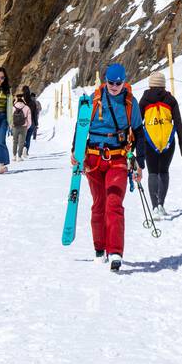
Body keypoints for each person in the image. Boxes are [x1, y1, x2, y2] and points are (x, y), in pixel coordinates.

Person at [77, 62, 145, 272]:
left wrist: (139, 163)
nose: (114, 86)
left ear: (124, 82)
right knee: (99, 204)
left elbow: (139, 133)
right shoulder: (92, 101)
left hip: (117, 159)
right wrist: (76, 155)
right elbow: (80, 130)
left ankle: (115, 252)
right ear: (105, 81)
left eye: (118, 83)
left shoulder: (130, 102)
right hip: (94, 159)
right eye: (111, 83)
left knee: (114, 204)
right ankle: (100, 248)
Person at [138, 72, 182, 217]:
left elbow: (137, 124)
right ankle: (161, 205)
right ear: (164, 84)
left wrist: (134, 147)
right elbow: (178, 123)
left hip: (149, 141)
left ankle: (154, 208)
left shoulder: (145, 100)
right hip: (168, 141)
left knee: (152, 172)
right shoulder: (171, 100)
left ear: (150, 84)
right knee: (164, 172)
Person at [11, 93, 32, 160]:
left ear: (16, 98)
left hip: (15, 126)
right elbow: (29, 119)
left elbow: (10, 117)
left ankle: (14, 156)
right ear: (23, 99)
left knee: (15, 141)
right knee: (21, 142)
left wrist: (11, 126)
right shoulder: (27, 107)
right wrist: (27, 126)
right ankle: (19, 157)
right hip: (24, 127)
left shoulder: (13, 107)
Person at [22, 85, 40, 154]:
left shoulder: (22, 101)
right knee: (28, 137)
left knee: (23, 137)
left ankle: (23, 147)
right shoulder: (33, 102)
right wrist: (36, 123)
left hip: (23, 122)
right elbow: (35, 113)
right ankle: (26, 150)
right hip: (31, 122)